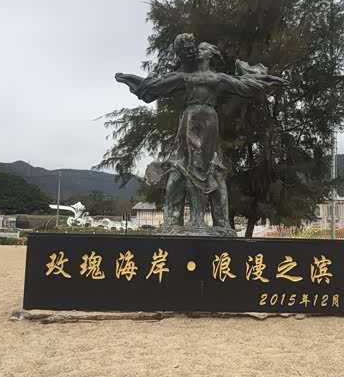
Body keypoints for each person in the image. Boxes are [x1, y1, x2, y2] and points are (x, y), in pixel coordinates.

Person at [115, 34, 284, 232]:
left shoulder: (218, 78)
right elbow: (155, 86)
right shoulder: (184, 77)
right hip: (190, 120)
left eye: (201, 49)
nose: (196, 51)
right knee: (185, 166)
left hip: (209, 122)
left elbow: (244, 86)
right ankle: (181, 220)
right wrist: (130, 79)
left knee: (210, 165)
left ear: (210, 55)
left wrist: (269, 81)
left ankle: (214, 222)